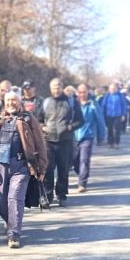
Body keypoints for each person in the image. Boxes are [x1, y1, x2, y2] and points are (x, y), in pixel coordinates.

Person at [0, 88, 47, 247]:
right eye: (8, 100)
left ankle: (14, 235)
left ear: (20, 102)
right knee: (0, 200)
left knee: (15, 198)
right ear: (4, 102)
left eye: (14, 100)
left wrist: (41, 168)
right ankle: (11, 222)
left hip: (21, 166)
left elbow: (40, 144)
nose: (11, 103)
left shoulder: (29, 119)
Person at [37, 78, 83, 207]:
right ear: (50, 89)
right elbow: (38, 119)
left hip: (65, 142)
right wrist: (42, 127)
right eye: (53, 87)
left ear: (62, 87)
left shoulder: (71, 101)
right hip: (48, 141)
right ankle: (48, 195)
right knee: (48, 169)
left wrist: (70, 127)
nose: (56, 89)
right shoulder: (46, 102)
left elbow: (80, 120)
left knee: (63, 170)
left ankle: (61, 195)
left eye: (58, 87)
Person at [73, 83, 106, 193]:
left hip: (87, 136)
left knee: (84, 160)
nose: (82, 94)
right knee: (75, 161)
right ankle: (82, 173)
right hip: (73, 137)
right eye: (80, 92)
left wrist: (101, 136)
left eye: (84, 92)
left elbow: (100, 120)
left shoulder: (93, 104)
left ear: (88, 92)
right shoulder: (73, 104)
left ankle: (82, 183)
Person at [102, 83, 128, 149]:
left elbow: (123, 105)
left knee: (117, 130)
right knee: (110, 129)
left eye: (114, 88)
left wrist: (123, 115)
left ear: (116, 89)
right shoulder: (107, 95)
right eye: (111, 88)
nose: (112, 90)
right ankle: (111, 143)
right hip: (109, 115)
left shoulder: (120, 95)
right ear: (109, 89)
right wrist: (102, 115)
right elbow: (103, 106)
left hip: (118, 115)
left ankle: (117, 143)